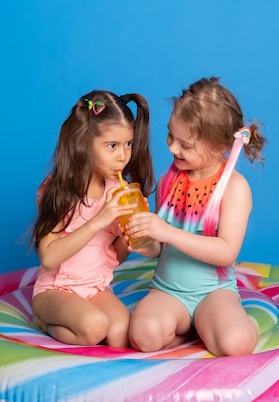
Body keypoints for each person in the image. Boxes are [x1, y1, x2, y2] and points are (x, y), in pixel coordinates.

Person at [126, 77, 266, 356]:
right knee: (143, 336)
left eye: (185, 145)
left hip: (213, 294)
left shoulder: (234, 189)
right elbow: (159, 248)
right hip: (167, 292)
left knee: (235, 344)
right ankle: (191, 333)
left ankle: (230, 324)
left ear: (218, 146)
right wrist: (143, 241)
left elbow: (226, 252)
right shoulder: (169, 180)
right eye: (170, 136)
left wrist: (165, 231)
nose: (171, 149)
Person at [29, 90, 154, 348]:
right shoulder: (62, 190)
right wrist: (99, 219)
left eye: (128, 144)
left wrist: (125, 238)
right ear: (85, 143)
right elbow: (49, 257)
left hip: (95, 288)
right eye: (112, 146)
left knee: (121, 332)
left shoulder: (116, 191)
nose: (123, 156)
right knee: (94, 327)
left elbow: (113, 259)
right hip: (56, 290)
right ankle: (43, 322)